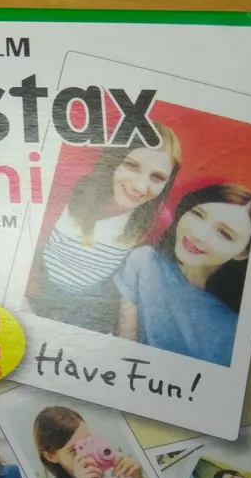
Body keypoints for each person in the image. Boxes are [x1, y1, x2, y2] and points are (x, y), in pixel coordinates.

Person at [25, 123, 182, 333]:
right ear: (114, 160)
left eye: (158, 177)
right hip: (39, 285)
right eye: (132, 166)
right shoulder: (68, 188)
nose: (140, 187)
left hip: (89, 303)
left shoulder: (158, 220)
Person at [115, 183, 251, 367]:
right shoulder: (144, 261)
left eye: (224, 233)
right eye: (198, 214)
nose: (198, 234)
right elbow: (125, 344)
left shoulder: (240, 323)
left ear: (243, 253)